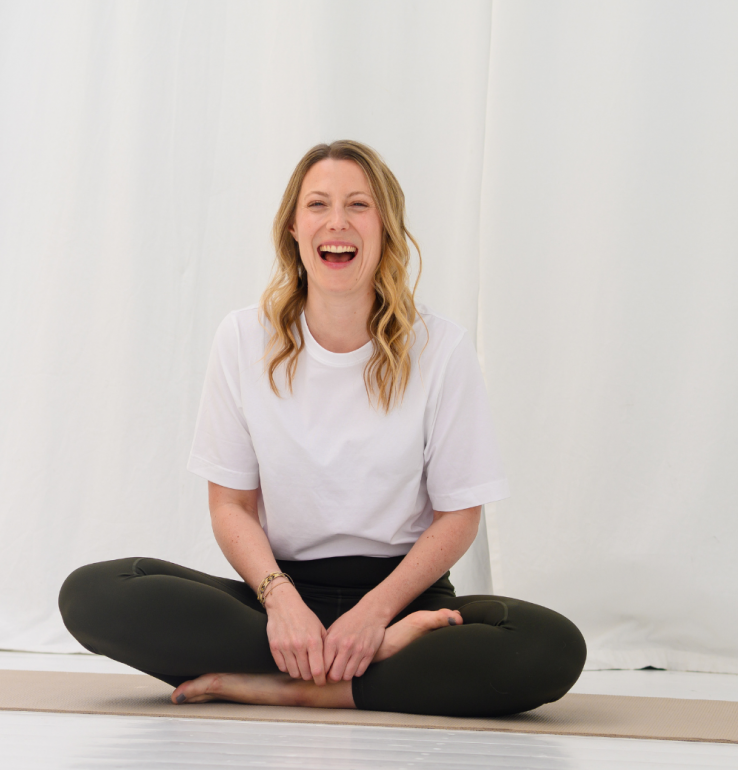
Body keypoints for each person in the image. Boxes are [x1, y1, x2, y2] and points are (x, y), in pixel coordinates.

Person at [59, 140, 585, 717]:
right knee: (93, 594)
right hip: (280, 601)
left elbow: (458, 516)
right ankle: (366, 670)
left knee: (550, 647)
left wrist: (375, 616)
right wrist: (280, 602)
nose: (338, 222)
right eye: (318, 204)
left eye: (359, 205)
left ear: (386, 226)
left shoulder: (442, 348)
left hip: (405, 601)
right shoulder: (242, 339)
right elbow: (231, 506)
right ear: (293, 226)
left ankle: (288, 685)